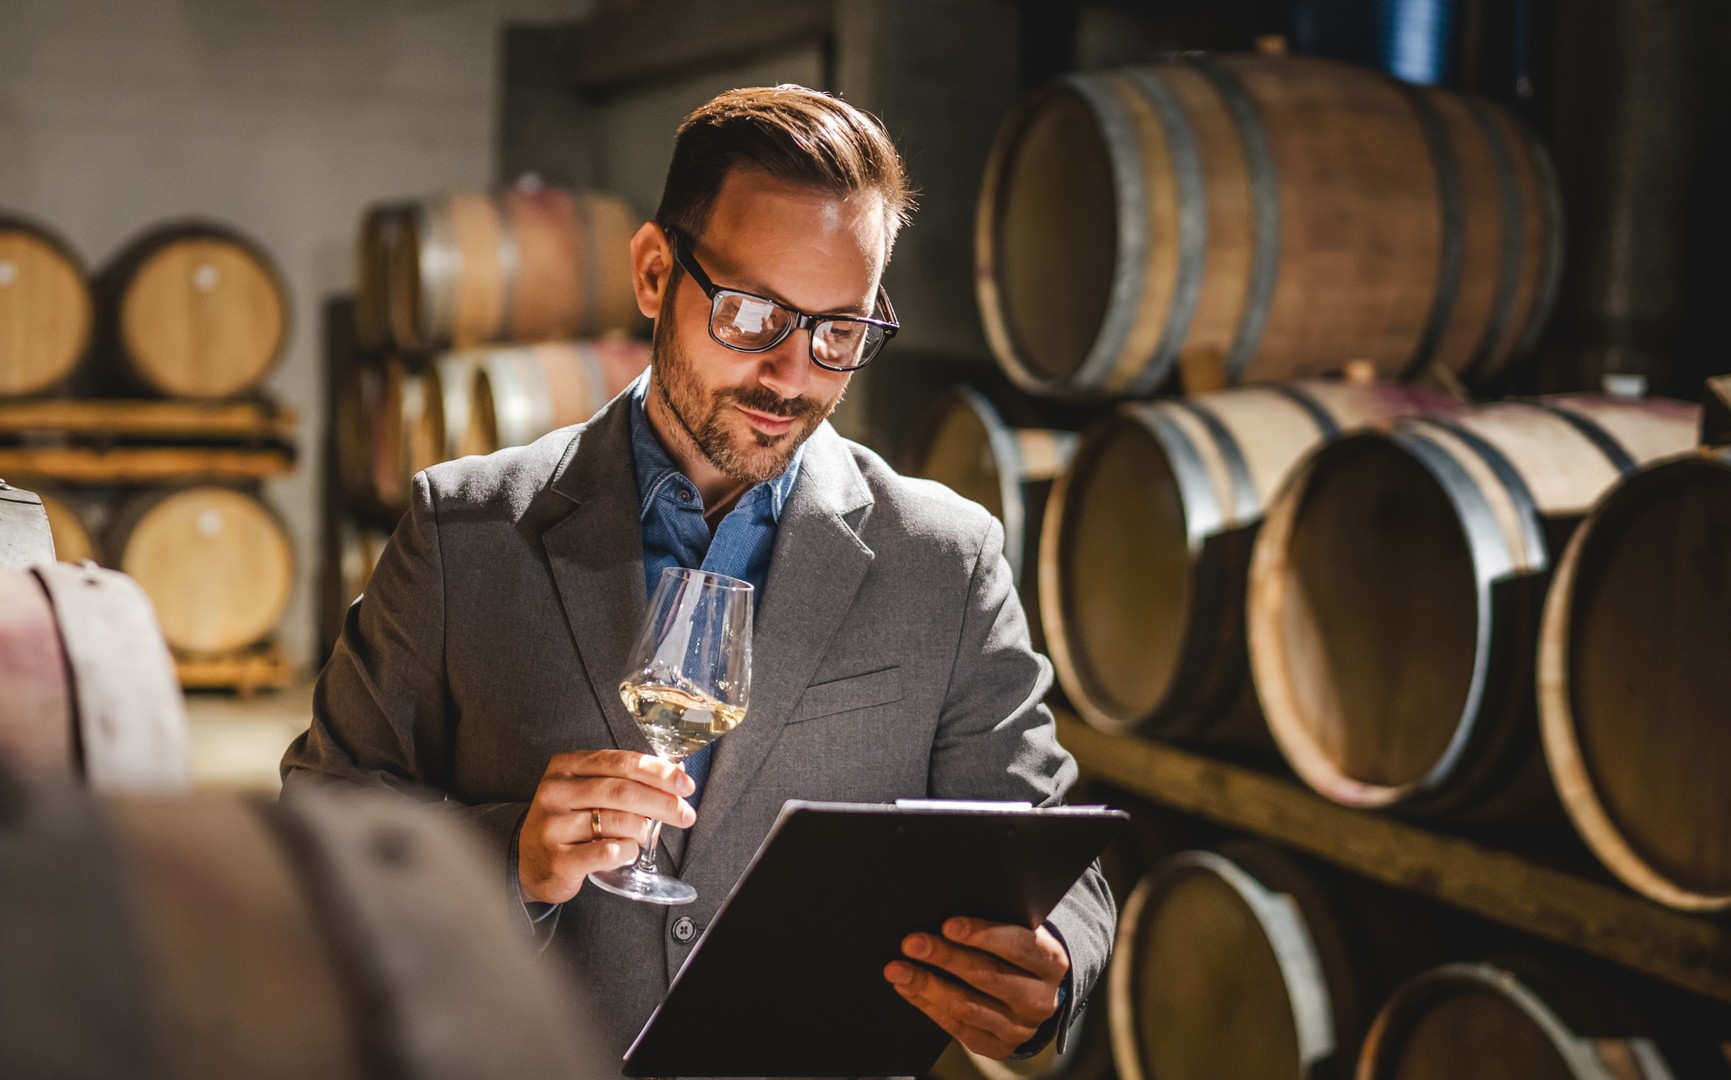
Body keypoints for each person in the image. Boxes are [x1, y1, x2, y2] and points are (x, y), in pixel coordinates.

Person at [282, 83, 1113, 1070]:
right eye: (753, 313)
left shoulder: (945, 558)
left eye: (839, 331)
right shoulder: (464, 530)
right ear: (653, 272)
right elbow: (326, 811)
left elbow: (1053, 856)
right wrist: (510, 857)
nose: (792, 375)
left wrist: (1053, 971)